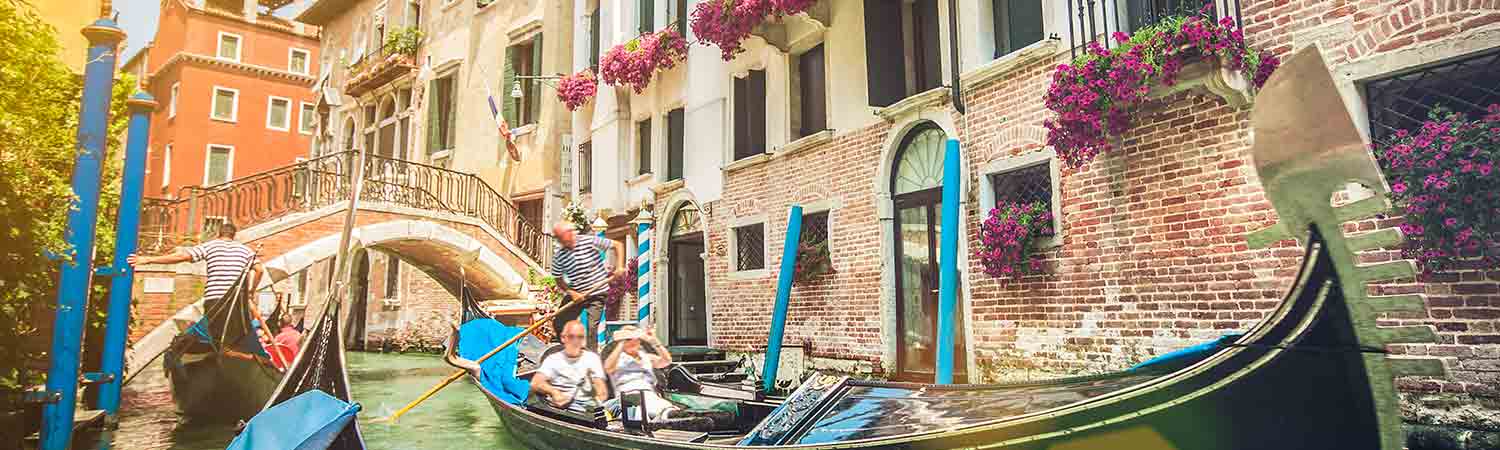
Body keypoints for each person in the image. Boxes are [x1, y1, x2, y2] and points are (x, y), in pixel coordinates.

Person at [128, 222, 271, 342]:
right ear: (234, 236)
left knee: (215, 338)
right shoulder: (245, 250)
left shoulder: (210, 246)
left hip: (215, 300)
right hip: (237, 302)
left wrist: (148, 259)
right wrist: (251, 291)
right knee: (236, 338)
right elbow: (259, 270)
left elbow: (183, 256)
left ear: (218, 234)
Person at [549, 222, 626, 351]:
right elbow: (559, 279)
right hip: (577, 293)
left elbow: (617, 245)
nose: (561, 242)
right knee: (559, 322)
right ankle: (565, 351)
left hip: (597, 292)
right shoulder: (559, 256)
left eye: (562, 238)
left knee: (592, 328)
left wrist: (619, 266)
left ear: (569, 234)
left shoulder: (588, 241)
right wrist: (571, 292)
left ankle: (592, 356)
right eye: (559, 239)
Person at [531, 321, 610, 413]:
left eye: (580, 337)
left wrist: (596, 403)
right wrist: (554, 392)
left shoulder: (592, 358)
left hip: (590, 406)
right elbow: (536, 383)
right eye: (571, 337)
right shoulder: (553, 359)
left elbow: (601, 389)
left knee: (623, 404)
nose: (575, 341)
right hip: (565, 407)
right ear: (563, 338)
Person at [603, 325, 675, 421]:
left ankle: (671, 415)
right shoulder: (618, 359)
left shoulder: (646, 357)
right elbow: (608, 368)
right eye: (629, 340)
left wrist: (653, 340)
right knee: (639, 410)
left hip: (649, 395)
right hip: (627, 397)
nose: (633, 342)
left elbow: (666, 361)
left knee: (666, 408)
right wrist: (621, 343)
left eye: (635, 339)